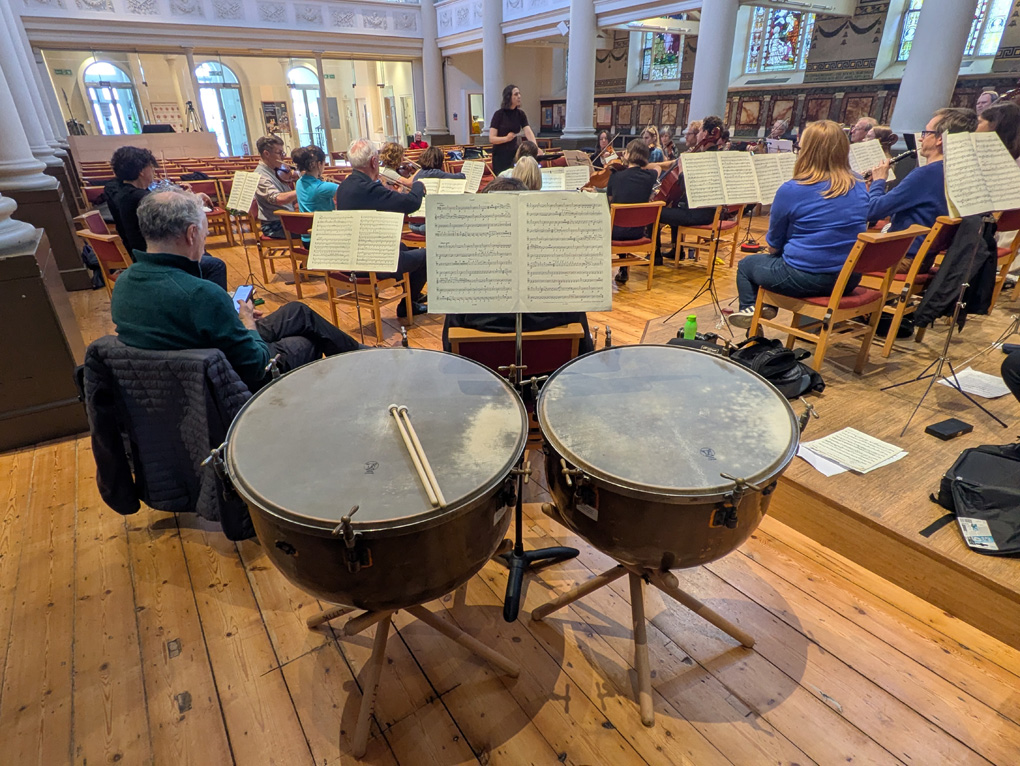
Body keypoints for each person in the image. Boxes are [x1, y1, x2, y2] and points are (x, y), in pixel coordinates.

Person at [111, 188, 362, 392]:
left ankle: (359, 355)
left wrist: (235, 318)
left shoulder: (124, 282)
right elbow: (256, 366)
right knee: (304, 343)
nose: (204, 240)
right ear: (191, 234)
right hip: (225, 376)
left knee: (298, 312)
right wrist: (246, 322)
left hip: (186, 367)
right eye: (205, 234)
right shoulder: (201, 293)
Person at [728, 120, 870, 329]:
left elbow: (774, 244)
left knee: (747, 265)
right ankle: (774, 309)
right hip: (849, 278)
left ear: (808, 152)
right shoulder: (859, 184)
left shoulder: (792, 189)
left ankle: (752, 312)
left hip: (807, 278)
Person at [441, 176, 595, 354]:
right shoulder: (560, 281)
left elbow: (451, 350)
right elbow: (583, 351)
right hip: (551, 376)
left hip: (482, 378)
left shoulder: (464, 281)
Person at [104, 146, 227, 290]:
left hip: (143, 253)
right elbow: (175, 210)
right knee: (215, 265)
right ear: (141, 171)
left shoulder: (122, 192)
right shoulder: (140, 198)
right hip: (154, 258)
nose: (154, 172)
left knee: (204, 254)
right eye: (151, 167)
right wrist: (195, 198)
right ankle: (214, 307)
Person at [868, 108, 975, 265]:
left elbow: (873, 211)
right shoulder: (956, 170)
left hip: (902, 258)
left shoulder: (926, 174)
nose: (920, 139)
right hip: (926, 257)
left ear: (940, 139)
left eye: (926, 133)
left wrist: (878, 181)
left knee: (839, 253)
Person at [335, 138, 429, 317]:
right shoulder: (369, 189)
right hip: (372, 263)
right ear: (373, 161)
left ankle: (411, 294)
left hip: (351, 258)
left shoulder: (345, 186)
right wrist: (417, 185)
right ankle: (408, 305)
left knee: (403, 247)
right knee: (427, 255)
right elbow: (411, 203)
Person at [654, 114, 725, 260]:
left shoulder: (703, 158)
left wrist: (681, 169)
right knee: (675, 207)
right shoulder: (717, 156)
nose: (698, 134)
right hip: (710, 213)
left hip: (698, 214)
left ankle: (655, 257)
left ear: (705, 133)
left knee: (654, 212)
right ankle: (677, 251)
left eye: (700, 132)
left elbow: (689, 188)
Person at [607, 140, 658, 284]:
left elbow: (610, 202)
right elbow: (657, 169)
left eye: (626, 151)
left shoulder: (615, 177)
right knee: (625, 220)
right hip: (638, 232)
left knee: (615, 219)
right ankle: (623, 268)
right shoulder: (650, 177)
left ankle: (611, 269)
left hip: (615, 233)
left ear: (628, 154)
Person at [489, 84, 541, 175]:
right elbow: (492, 138)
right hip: (500, 155)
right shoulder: (499, 114)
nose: (519, 96)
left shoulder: (520, 114)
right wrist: (506, 138)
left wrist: (535, 147)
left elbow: (528, 131)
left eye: (519, 94)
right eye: (516, 94)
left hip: (514, 153)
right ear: (509, 97)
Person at [253, 135, 299, 239]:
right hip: (274, 226)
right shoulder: (260, 176)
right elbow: (278, 199)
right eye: (279, 153)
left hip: (287, 220)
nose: (283, 157)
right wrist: (302, 190)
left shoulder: (277, 169)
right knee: (312, 234)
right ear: (266, 154)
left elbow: (294, 174)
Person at [292, 144, 338, 244]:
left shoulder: (299, 182)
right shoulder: (324, 187)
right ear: (319, 164)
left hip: (306, 238)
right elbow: (347, 195)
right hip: (323, 239)